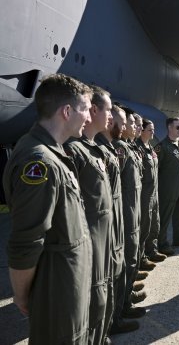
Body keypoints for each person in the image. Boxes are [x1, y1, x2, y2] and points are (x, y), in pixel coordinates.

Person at [3, 74, 93, 344]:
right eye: (86, 109)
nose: (89, 117)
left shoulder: (51, 153)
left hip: (66, 288)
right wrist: (21, 294)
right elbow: (26, 241)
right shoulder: (39, 162)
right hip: (56, 294)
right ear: (67, 111)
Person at [64, 85, 115, 344]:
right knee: (92, 301)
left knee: (101, 296)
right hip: (88, 239)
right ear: (94, 110)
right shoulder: (74, 151)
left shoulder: (92, 148)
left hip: (102, 236)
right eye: (108, 110)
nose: (112, 117)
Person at [97, 105, 144, 333]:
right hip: (120, 216)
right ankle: (116, 317)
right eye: (124, 122)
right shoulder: (114, 149)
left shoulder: (121, 147)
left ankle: (123, 306)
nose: (128, 126)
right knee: (117, 269)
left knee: (125, 263)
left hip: (127, 212)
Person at [112, 108, 147, 328]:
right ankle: (119, 311)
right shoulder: (119, 148)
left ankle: (124, 301)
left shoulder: (128, 147)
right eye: (130, 123)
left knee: (130, 259)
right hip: (124, 212)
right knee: (123, 261)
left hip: (132, 209)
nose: (133, 127)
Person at [156, 117, 179, 256]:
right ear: (169, 128)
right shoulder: (161, 147)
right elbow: (155, 169)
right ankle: (162, 244)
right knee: (164, 216)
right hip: (167, 188)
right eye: (178, 127)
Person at [137, 119, 166, 263]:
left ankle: (152, 251)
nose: (153, 132)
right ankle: (142, 257)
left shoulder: (151, 148)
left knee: (155, 222)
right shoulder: (138, 149)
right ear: (142, 131)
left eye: (153, 129)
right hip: (144, 194)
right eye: (150, 130)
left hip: (154, 192)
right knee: (144, 226)